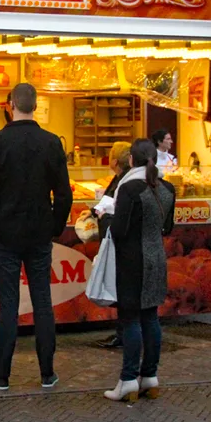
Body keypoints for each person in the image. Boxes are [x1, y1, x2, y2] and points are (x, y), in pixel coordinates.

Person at [0, 83, 72, 391]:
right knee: (43, 301)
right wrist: (55, 226)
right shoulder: (52, 142)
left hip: (4, 233)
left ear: (9, 104)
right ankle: (47, 372)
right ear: (36, 105)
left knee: (8, 304)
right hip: (39, 233)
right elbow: (63, 194)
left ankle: (1, 373)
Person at [104, 139, 175, 403]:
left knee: (131, 318)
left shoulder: (130, 188)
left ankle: (128, 380)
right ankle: (150, 377)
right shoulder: (167, 187)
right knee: (151, 317)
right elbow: (168, 227)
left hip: (133, 259)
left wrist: (105, 217)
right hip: (157, 256)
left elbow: (119, 230)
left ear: (131, 160)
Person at [93, 141, 131, 350]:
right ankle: (123, 331)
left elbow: (113, 207)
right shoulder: (122, 179)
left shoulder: (123, 182)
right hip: (117, 239)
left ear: (115, 161)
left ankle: (124, 333)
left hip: (117, 241)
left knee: (120, 285)